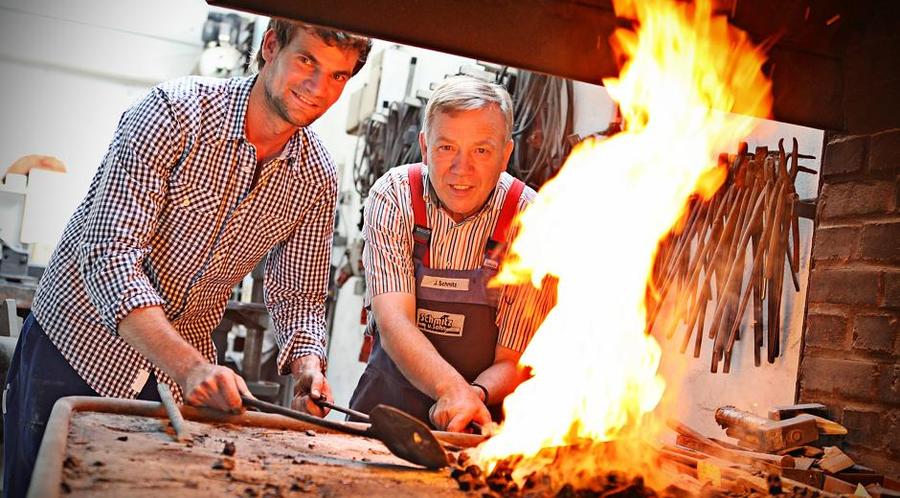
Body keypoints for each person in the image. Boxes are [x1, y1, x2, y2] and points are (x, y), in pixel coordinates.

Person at [2, 19, 370, 497]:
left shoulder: (316, 176)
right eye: (307, 61)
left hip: (172, 383)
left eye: (339, 76)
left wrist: (307, 365)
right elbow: (111, 257)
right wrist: (190, 366)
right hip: (74, 351)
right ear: (271, 45)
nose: (319, 89)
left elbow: (297, 293)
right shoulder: (174, 112)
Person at [348, 75, 556, 433]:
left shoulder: (530, 218)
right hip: (385, 410)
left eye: (481, 150)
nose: (462, 169)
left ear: (505, 154)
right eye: (447, 148)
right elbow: (394, 321)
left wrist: (468, 398)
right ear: (425, 147)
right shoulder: (396, 195)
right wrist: (451, 390)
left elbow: (514, 358)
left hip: (475, 421)